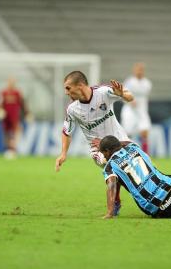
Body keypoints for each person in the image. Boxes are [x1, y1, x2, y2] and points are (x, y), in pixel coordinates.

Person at [55, 71, 135, 215]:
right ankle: (115, 202)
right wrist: (63, 153)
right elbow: (67, 132)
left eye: (68, 88)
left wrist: (121, 94)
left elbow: (130, 97)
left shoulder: (103, 92)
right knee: (109, 162)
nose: (66, 92)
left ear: (79, 86)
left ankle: (123, 198)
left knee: (134, 172)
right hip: (98, 150)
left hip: (121, 141)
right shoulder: (72, 109)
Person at [0, 77, 31, 159]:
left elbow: (23, 104)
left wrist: (27, 113)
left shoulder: (17, 93)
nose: (11, 84)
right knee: (6, 133)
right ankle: (8, 150)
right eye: (10, 82)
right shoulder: (3, 93)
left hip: (15, 117)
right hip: (5, 117)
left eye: (13, 82)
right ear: (7, 83)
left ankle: (13, 150)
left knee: (17, 132)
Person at [121, 62, 152, 154]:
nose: (139, 71)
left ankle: (146, 155)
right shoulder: (129, 82)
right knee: (127, 134)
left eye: (141, 70)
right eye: (138, 69)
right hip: (129, 110)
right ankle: (126, 154)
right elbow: (122, 94)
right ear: (134, 71)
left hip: (142, 111)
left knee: (145, 132)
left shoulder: (147, 83)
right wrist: (130, 100)